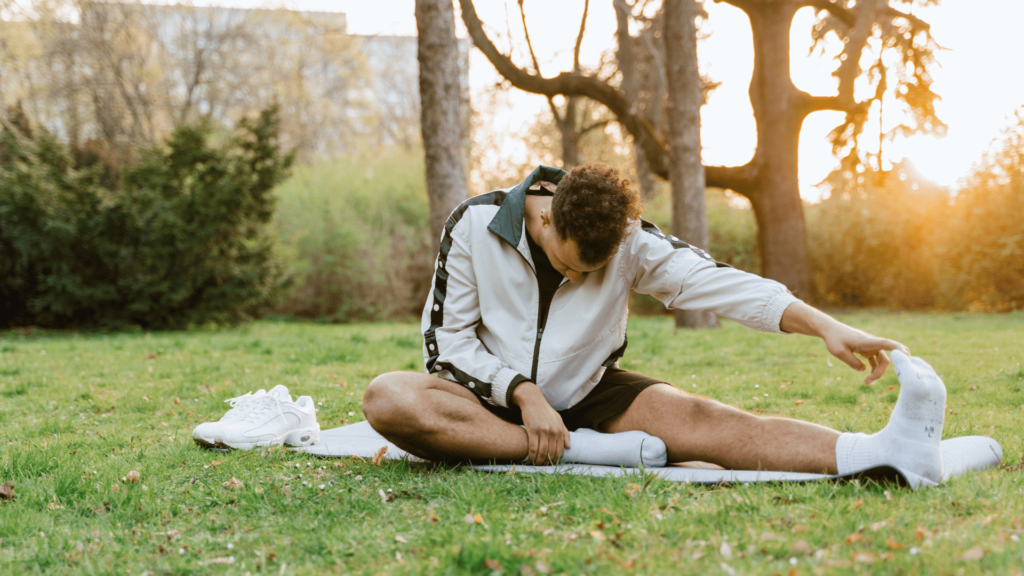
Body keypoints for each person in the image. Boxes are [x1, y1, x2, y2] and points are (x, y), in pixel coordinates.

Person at [362, 164, 946, 487]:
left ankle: (877, 452)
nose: (577, 276)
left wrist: (823, 327)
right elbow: (447, 345)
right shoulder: (474, 224)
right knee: (390, 397)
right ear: (545, 218)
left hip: (590, 393)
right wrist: (522, 391)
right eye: (568, 263)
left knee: (707, 419)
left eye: (592, 271)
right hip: (486, 403)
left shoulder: (630, 240)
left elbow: (720, 283)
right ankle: (585, 453)